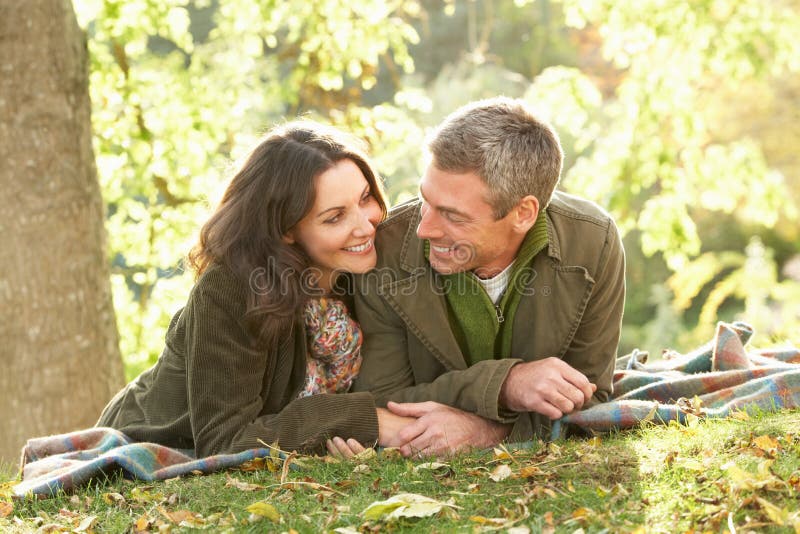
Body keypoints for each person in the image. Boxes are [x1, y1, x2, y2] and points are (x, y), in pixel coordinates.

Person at [96, 121, 416, 457]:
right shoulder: (231, 288)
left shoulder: (360, 271)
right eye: (335, 217)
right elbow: (225, 442)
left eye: (366, 198)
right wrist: (366, 419)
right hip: (146, 438)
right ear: (287, 229)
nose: (365, 226)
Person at [347, 97, 626, 458]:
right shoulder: (384, 249)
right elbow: (383, 400)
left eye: (452, 215)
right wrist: (506, 385)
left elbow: (589, 398)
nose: (424, 228)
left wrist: (488, 432)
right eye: (424, 200)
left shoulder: (594, 243)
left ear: (523, 213)